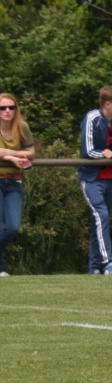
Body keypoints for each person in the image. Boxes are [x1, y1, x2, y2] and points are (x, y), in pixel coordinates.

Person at [77, 86, 112, 274]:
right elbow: (88, 151)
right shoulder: (92, 118)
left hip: (110, 178)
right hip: (91, 178)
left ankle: (94, 267)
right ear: (107, 104)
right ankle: (108, 263)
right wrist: (104, 154)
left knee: (99, 221)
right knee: (102, 216)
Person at [0, 92, 36, 277]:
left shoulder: (22, 127)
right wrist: (10, 157)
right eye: (3, 108)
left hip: (14, 180)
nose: (7, 111)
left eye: (11, 107)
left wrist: (11, 155)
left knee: (13, 227)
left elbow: (31, 152)